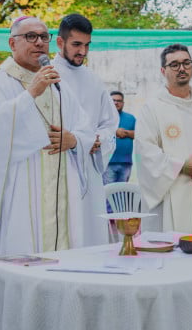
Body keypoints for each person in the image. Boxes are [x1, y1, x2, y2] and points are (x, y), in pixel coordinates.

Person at [0, 16, 95, 329]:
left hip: (62, 197)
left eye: (44, 37)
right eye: (30, 36)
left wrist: (74, 139)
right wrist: (29, 94)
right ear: (12, 43)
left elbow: (85, 127)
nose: (39, 43)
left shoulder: (59, 86)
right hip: (18, 198)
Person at [135, 43, 192, 234]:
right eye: (174, 64)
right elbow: (145, 152)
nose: (182, 69)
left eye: (186, 63)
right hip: (170, 188)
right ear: (163, 70)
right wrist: (181, 167)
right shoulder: (152, 108)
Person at [53, 13, 118, 244]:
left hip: (90, 165)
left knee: (90, 231)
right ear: (60, 42)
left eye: (87, 45)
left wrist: (99, 139)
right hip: (57, 165)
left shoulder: (93, 79)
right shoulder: (47, 76)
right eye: (76, 44)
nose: (83, 51)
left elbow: (110, 123)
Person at [103, 91, 136, 184]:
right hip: (108, 162)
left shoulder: (131, 118)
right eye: (113, 100)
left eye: (119, 101)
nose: (116, 103)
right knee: (108, 193)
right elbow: (97, 133)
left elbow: (140, 134)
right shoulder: (103, 118)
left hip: (126, 162)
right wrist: (115, 132)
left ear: (123, 103)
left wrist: (125, 133)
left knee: (122, 193)